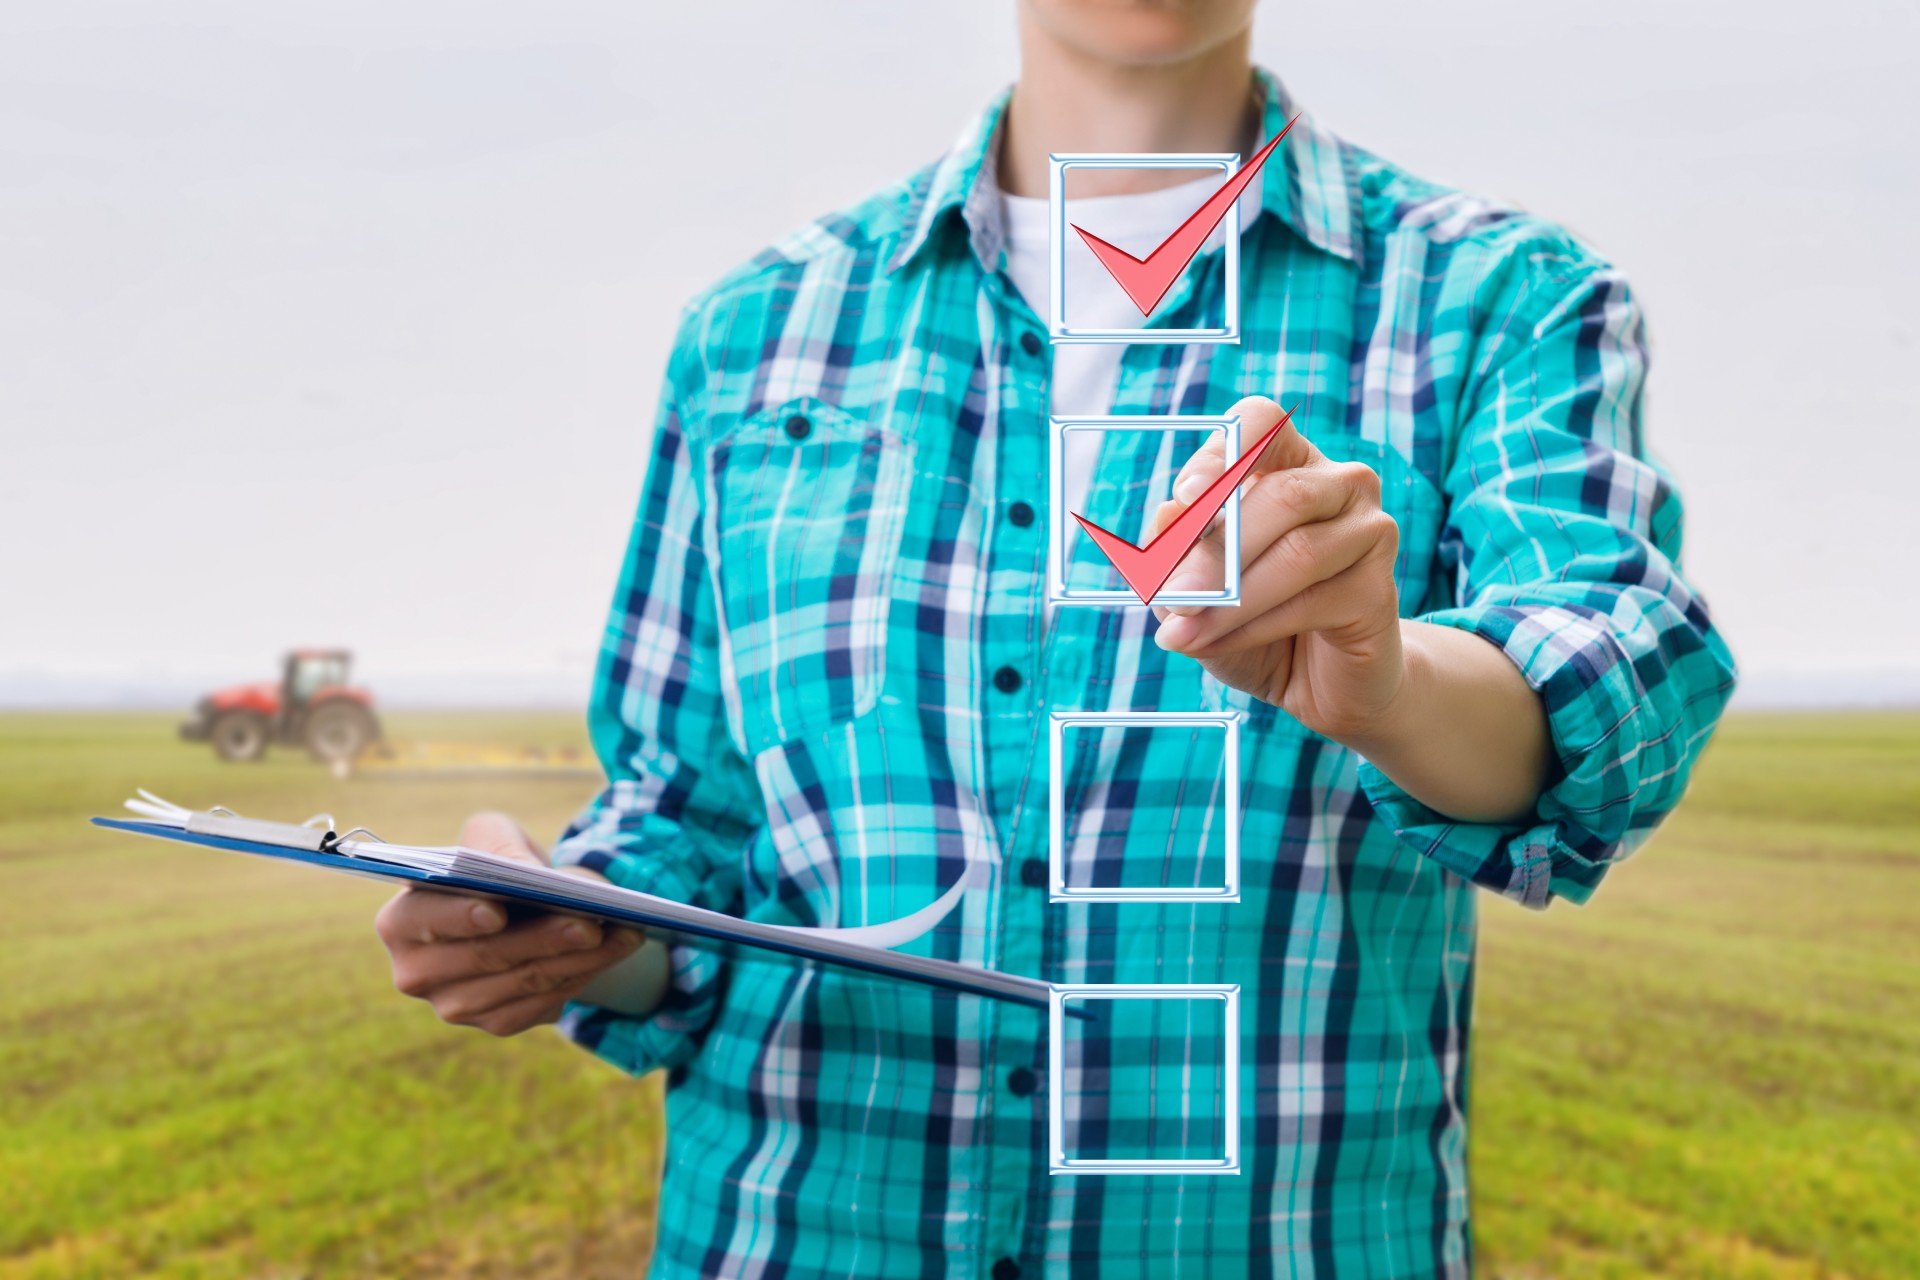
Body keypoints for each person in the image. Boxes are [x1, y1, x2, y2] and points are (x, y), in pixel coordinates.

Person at [374, 2, 1737, 1275]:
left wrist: (1390, 684)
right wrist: (564, 927)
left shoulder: (1499, 292)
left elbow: (1613, 675)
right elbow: (688, 818)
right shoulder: (754, 335)